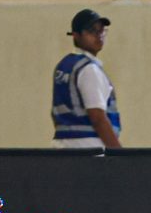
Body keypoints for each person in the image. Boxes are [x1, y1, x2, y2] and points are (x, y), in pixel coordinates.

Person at [51, 9, 121, 149]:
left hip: (61, 145)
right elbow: (98, 118)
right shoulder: (89, 69)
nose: (99, 35)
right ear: (76, 35)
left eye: (101, 31)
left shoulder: (64, 66)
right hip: (88, 146)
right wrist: (118, 153)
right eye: (92, 31)